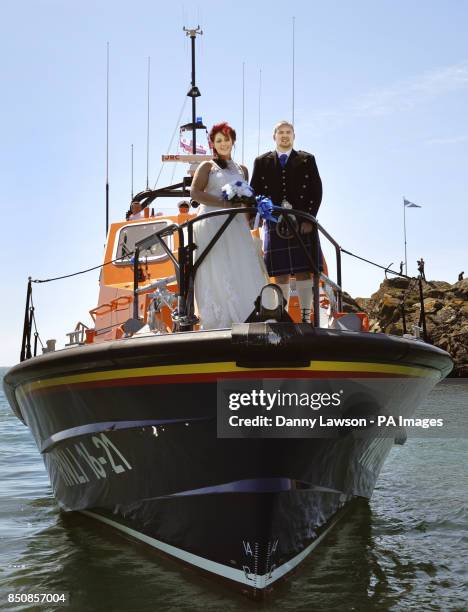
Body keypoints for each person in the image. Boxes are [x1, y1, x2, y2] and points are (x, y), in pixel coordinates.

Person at [190, 122, 268, 329]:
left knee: (241, 264)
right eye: (218, 141)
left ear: (233, 141)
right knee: (217, 267)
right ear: (213, 144)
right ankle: (219, 320)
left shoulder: (242, 169)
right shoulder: (207, 167)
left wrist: (249, 204)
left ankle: (247, 314)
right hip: (211, 222)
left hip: (235, 223)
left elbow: (246, 197)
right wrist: (223, 203)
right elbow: (195, 193)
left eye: (227, 139)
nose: (223, 144)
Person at [251, 120, 322, 321]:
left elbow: (316, 191)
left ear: (293, 136)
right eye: (281, 132)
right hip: (274, 223)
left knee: (303, 271)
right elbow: (254, 192)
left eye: (288, 132)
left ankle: (306, 317)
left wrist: (310, 218)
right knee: (279, 273)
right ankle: (283, 316)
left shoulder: (307, 159)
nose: (284, 135)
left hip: (302, 221)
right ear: (274, 136)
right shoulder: (261, 161)